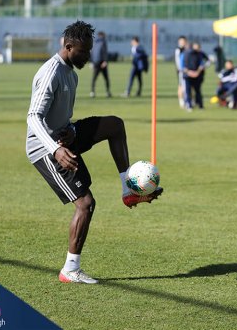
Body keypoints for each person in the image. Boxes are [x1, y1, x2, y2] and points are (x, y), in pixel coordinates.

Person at [26, 21, 163, 284]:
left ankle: (129, 190)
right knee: (86, 205)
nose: (89, 56)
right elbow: (33, 117)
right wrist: (55, 149)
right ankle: (70, 270)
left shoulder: (72, 74)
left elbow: (61, 116)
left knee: (115, 125)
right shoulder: (51, 73)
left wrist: (73, 133)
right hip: (44, 148)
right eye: (85, 51)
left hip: (64, 137)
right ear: (68, 47)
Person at [182, 42, 206, 111]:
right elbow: (182, 65)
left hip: (197, 76)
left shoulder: (199, 54)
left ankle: (200, 105)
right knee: (188, 91)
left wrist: (197, 72)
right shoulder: (184, 54)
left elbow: (202, 63)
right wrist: (189, 72)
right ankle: (189, 105)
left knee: (197, 91)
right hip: (187, 76)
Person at [90, 31, 111, 98]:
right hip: (102, 63)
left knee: (94, 78)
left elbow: (92, 53)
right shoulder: (103, 42)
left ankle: (92, 92)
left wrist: (92, 62)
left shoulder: (95, 43)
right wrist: (105, 61)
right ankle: (108, 92)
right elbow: (104, 52)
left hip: (96, 63)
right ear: (102, 35)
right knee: (106, 78)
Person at [175, 36, 188, 108]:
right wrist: (181, 69)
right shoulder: (178, 50)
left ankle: (187, 100)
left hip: (188, 70)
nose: (182, 43)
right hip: (181, 71)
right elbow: (178, 61)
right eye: (181, 41)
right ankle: (181, 100)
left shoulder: (187, 49)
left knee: (188, 85)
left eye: (184, 41)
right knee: (181, 85)